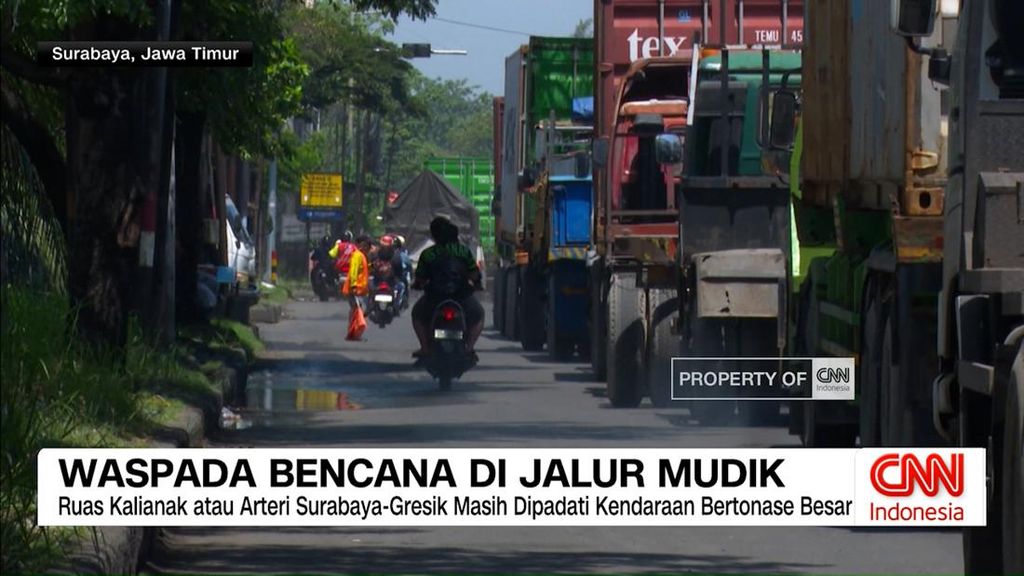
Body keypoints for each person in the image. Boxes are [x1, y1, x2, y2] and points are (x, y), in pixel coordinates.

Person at [411, 217, 484, 359]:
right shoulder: (463, 251)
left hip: (434, 296)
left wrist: (418, 285)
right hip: (461, 296)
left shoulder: (428, 254)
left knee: (417, 315)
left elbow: (420, 277)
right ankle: (469, 348)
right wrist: (476, 285)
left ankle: (425, 348)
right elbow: (474, 274)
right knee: (479, 315)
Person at [342, 235, 371, 340]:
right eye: (367, 246)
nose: (368, 248)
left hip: (359, 290)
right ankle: (354, 334)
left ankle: (353, 334)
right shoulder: (357, 255)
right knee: (357, 311)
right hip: (355, 289)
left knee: (356, 311)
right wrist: (353, 286)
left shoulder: (362, 256)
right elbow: (353, 271)